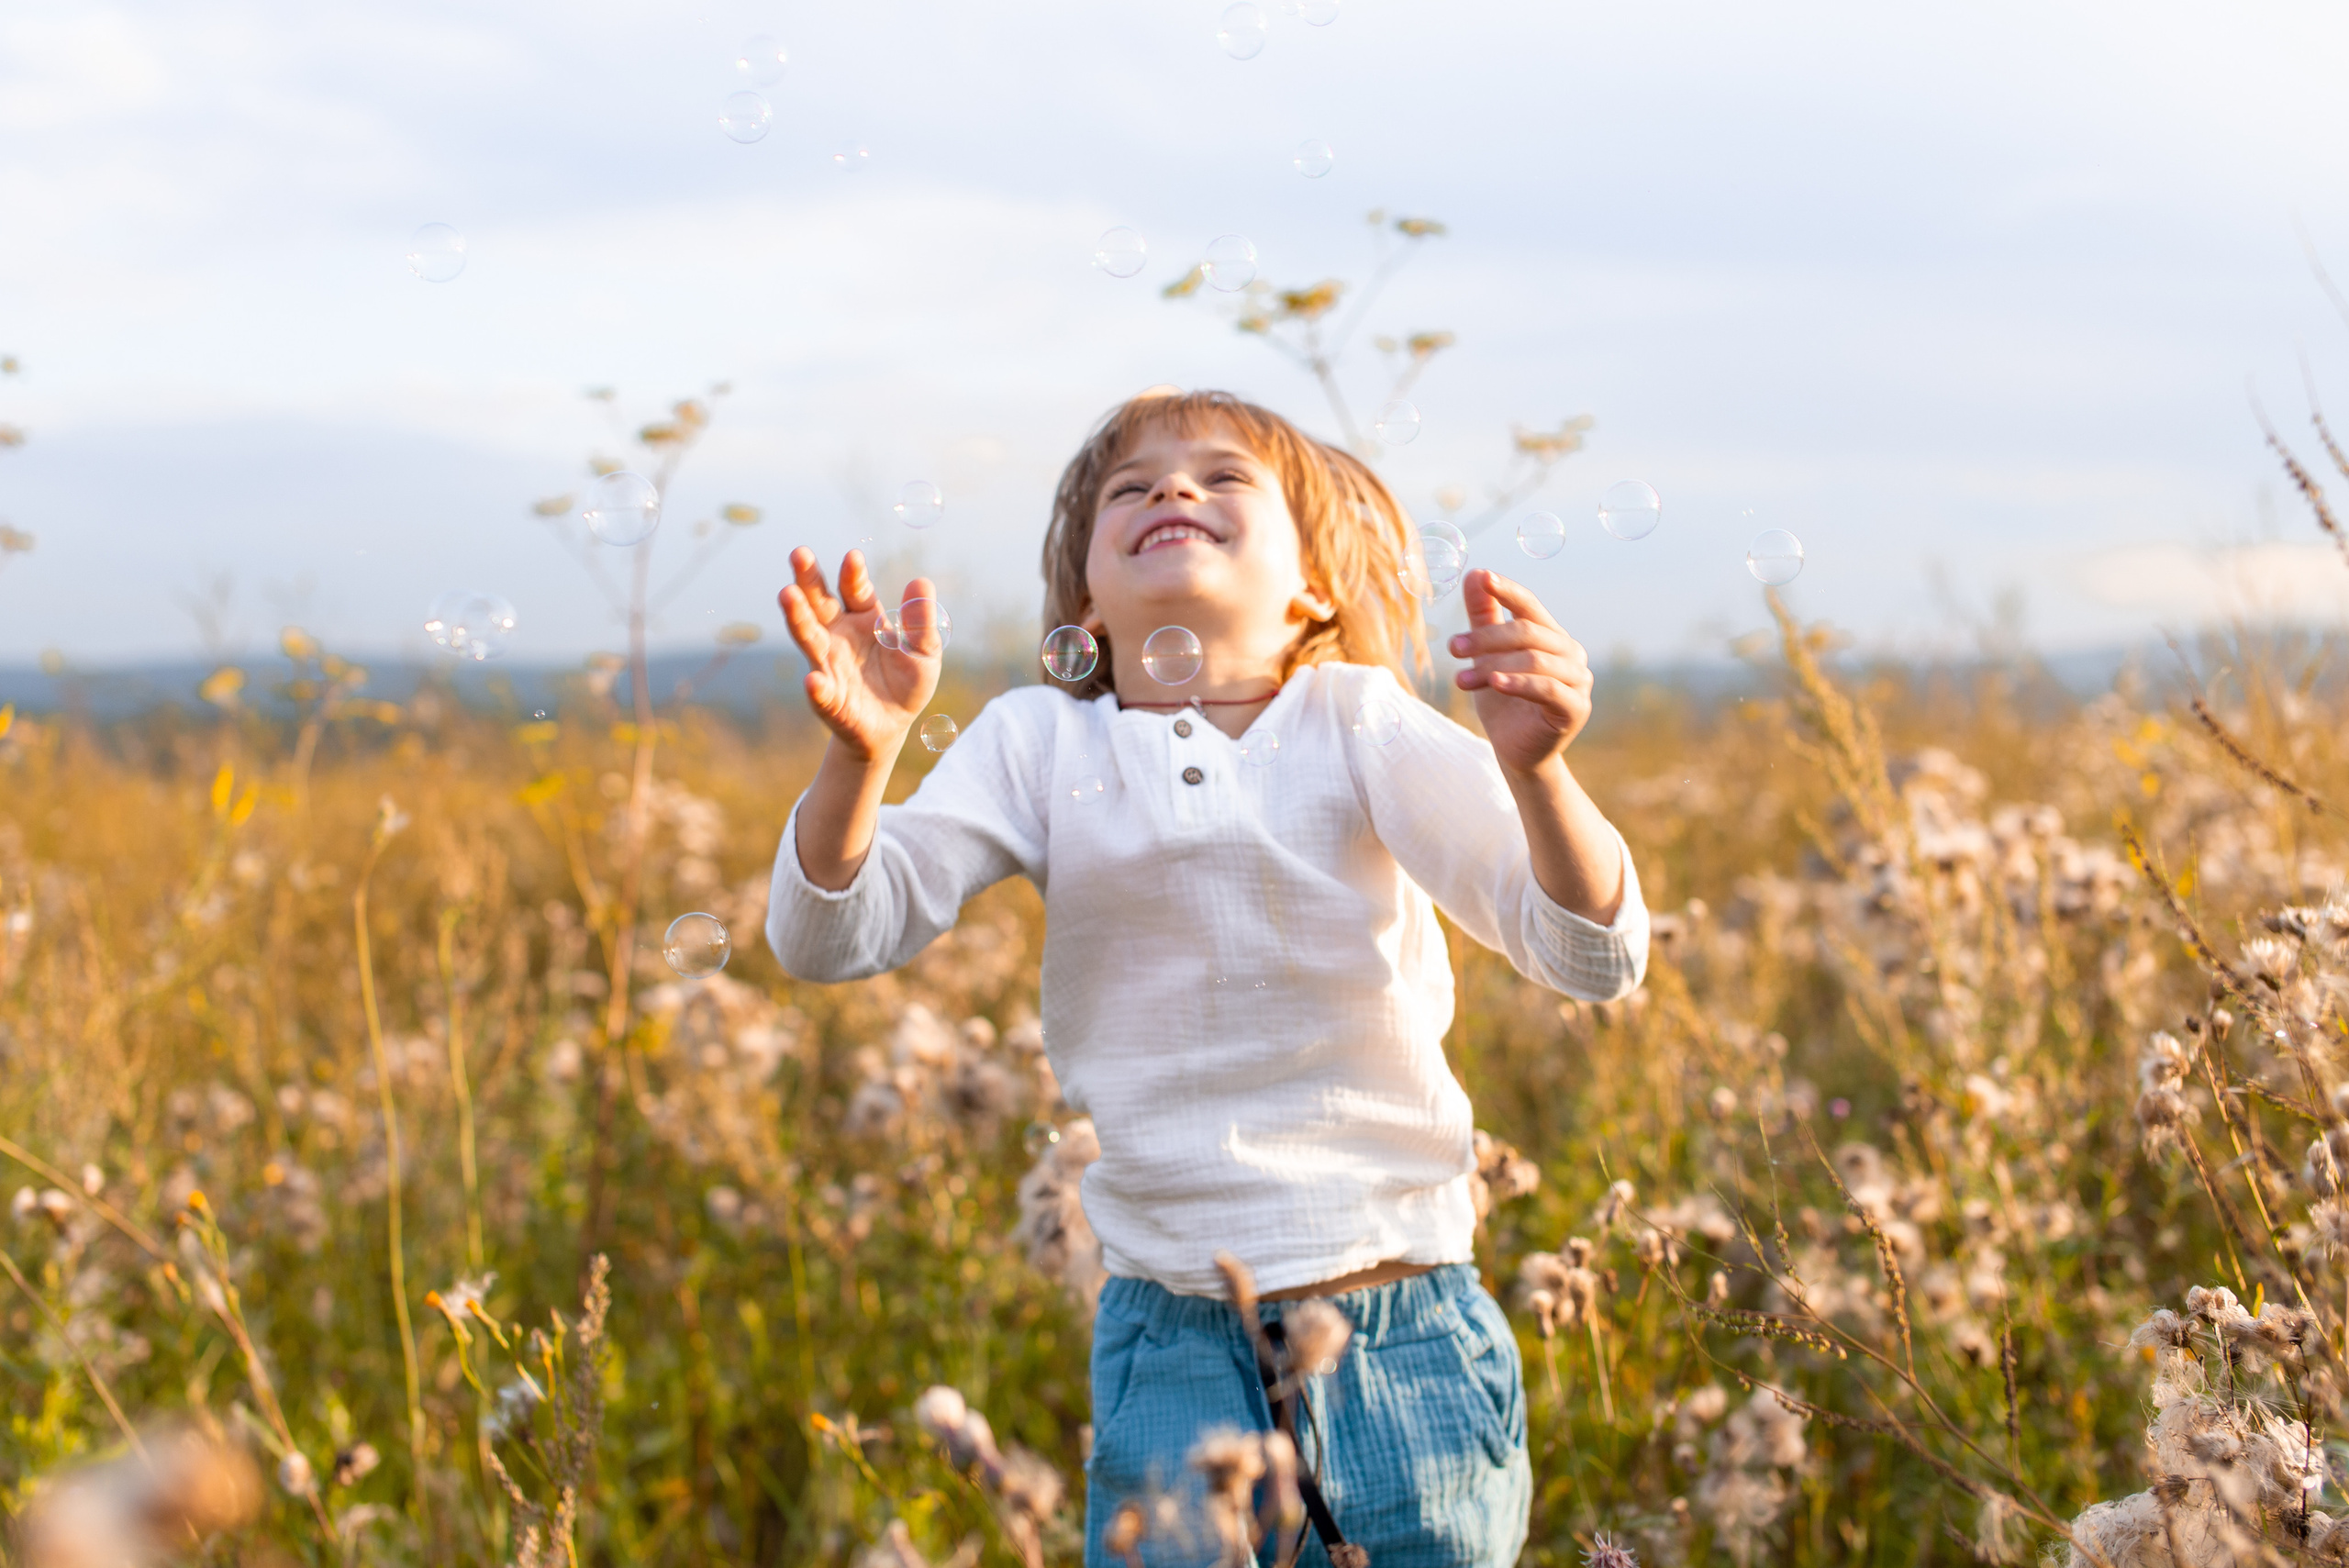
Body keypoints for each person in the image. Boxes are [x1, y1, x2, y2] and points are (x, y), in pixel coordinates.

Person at [768, 389, 1649, 1568]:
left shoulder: (1359, 720)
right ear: (1085, 599)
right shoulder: (1041, 743)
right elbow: (835, 934)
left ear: (1312, 591)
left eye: (1223, 478)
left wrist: (1539, 776)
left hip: (1401, 1330)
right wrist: (856, 759)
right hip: (1170, 1339)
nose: (1172, 490)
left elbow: (1591, 954)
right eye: (1129, 489)